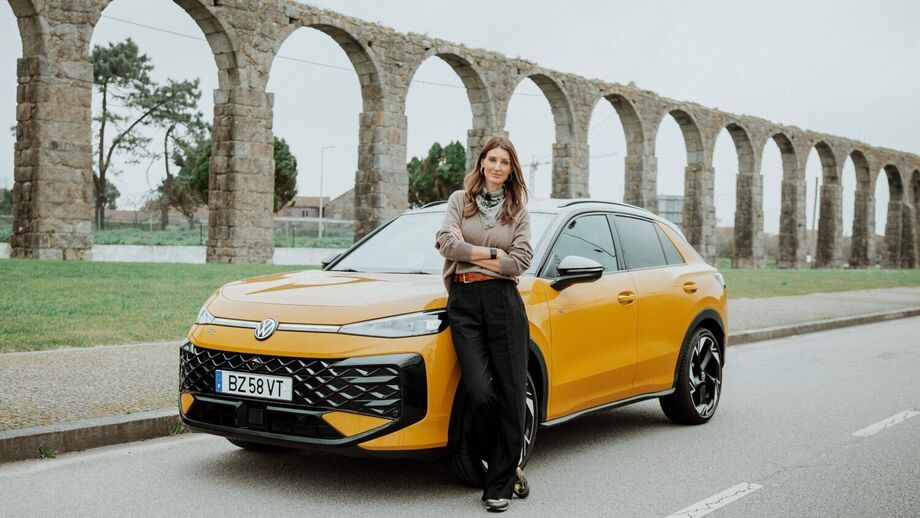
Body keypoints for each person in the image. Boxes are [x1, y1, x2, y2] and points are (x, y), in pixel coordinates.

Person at [435, 136, 533, 513]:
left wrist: (472, 252)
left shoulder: (518, 210)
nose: (496, 167)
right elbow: (445, 243)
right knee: (478, 390)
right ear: (481, 163)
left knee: (510, 393)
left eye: (504, 162)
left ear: (511, 170)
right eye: (491, 159)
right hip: (463, 302)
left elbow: (519, 261)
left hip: (503, 304)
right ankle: (510, 463)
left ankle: (499, 485)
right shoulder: (459, 201)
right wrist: (494, 252)